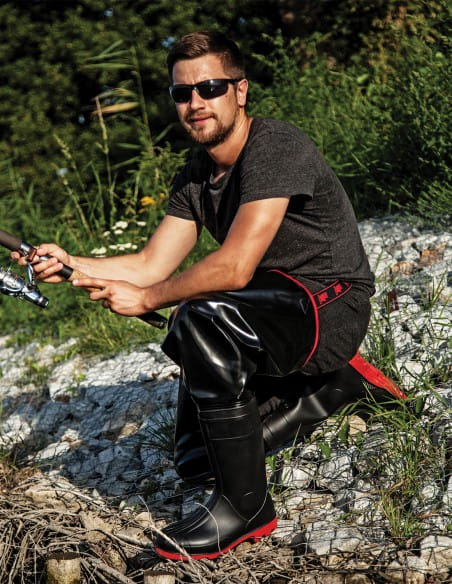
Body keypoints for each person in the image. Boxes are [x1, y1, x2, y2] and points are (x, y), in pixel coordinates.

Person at [14, 30, 406, 561]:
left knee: (198, 315)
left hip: (329, 306)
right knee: (199, 461)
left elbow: (234, 266)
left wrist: (148, 298)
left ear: (240, 90)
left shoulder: (275, 147)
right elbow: (151, 263)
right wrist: (72, 264)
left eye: (210, 88)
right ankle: (333, 388)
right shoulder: (196, 175)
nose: (195, 102)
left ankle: (246, 509)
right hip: (271, 313)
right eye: (182, 93)